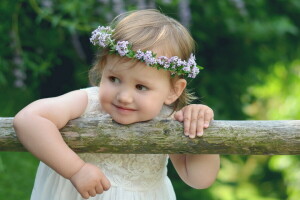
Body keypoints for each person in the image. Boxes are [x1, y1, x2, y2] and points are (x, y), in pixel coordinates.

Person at [13, 9, 220, 200]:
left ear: (174, 90)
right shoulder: (88, 102)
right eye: (114, 79)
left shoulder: (169, 119)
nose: (124, 97)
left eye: (140, 87)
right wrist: (76, 170)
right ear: (102, 69)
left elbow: (199, 179)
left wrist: (199, 124)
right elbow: (29, 119)